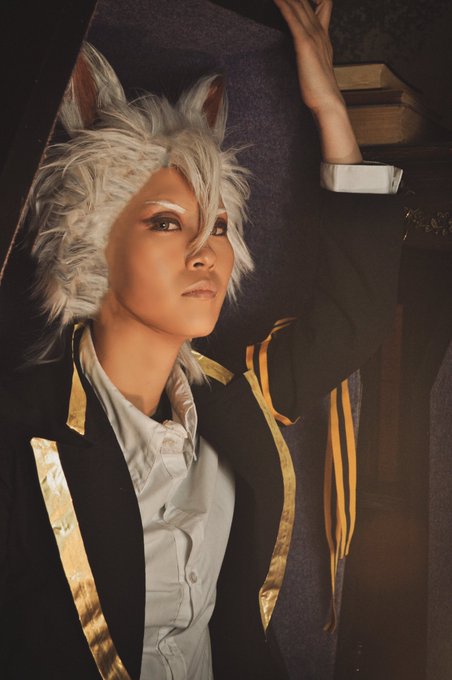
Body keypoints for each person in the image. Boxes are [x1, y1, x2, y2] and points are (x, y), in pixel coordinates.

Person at [0, 1, 403, 679]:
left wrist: (330, 108)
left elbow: (356, 315)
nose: (206, 251)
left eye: (218, 225)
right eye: (165, 222)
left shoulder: (236, 398)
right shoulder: (19, 431)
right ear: (90, 238)